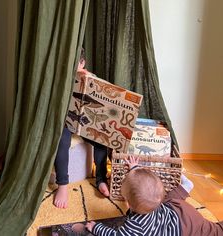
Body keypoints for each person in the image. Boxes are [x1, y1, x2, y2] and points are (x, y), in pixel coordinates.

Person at [86, 156, 223, 236]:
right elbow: (142, 183)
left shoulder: (134, 226)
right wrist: (134, 168)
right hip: (180, 210)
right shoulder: (155, 200)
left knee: (213, 232)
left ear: (128, 201)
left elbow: (115, 235)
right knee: (169, 199)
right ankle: (184, 188)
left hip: (184, 230)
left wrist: (96, 228)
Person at [54, 49, 111, 208]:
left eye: (76, 64)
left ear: (82, 63)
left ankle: (100, 179)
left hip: (85, 122)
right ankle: (62, 185)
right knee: (62, 140)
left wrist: (90, 79)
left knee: (101, 140)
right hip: (66, 122)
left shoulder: (91, 78)